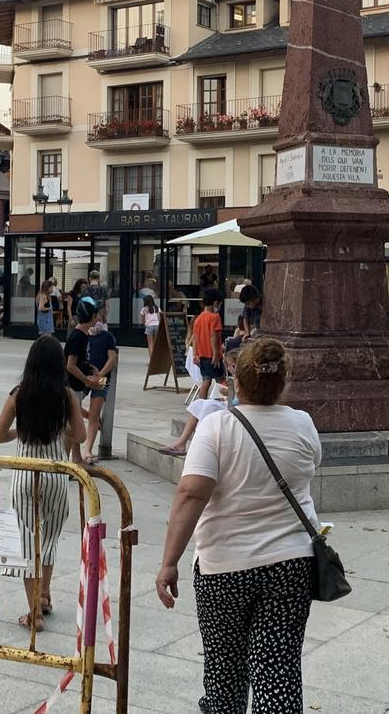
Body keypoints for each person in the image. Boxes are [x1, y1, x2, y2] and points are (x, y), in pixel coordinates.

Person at [156, 338, 320, 714]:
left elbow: (191, 494)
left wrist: (169, 561)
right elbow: (309, 469)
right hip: (290, 564)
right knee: (277, 670)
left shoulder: (215, 428)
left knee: (224, 671)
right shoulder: (303, 424)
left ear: (236, 379)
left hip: (223, 567)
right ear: (284, 382)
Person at [0, 334, 87, 628]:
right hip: (56, 473)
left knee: (26, 541)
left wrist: (20, 433)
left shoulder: (19, 394)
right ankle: (44, 595)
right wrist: (59, 432)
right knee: (49, 541)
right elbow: (81, 436)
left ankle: (34, 611)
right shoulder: (67, 395)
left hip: (25, 474)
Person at [64, 299, 118, 463]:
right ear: (93, 316)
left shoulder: (85, 335)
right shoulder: (78, 336)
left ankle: (77, 458)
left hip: (82, 383)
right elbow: (71, 365)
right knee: (73, 424)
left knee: (75, 422)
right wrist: (89, 382)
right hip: (74, 385)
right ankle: (68, 461)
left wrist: (91, 369)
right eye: (97, 316)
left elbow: (80, 361)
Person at [192, 288, 226, 403]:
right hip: (213, 355)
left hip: (202, 355)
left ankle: (201, 404)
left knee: (206, 381)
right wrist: (216, 354)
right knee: (221, 381)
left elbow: (195, 338)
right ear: (216, 303)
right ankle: (225, 402)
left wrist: (195, 354)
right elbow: (214, 336)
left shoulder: (198, 319)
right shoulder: (215, 317)